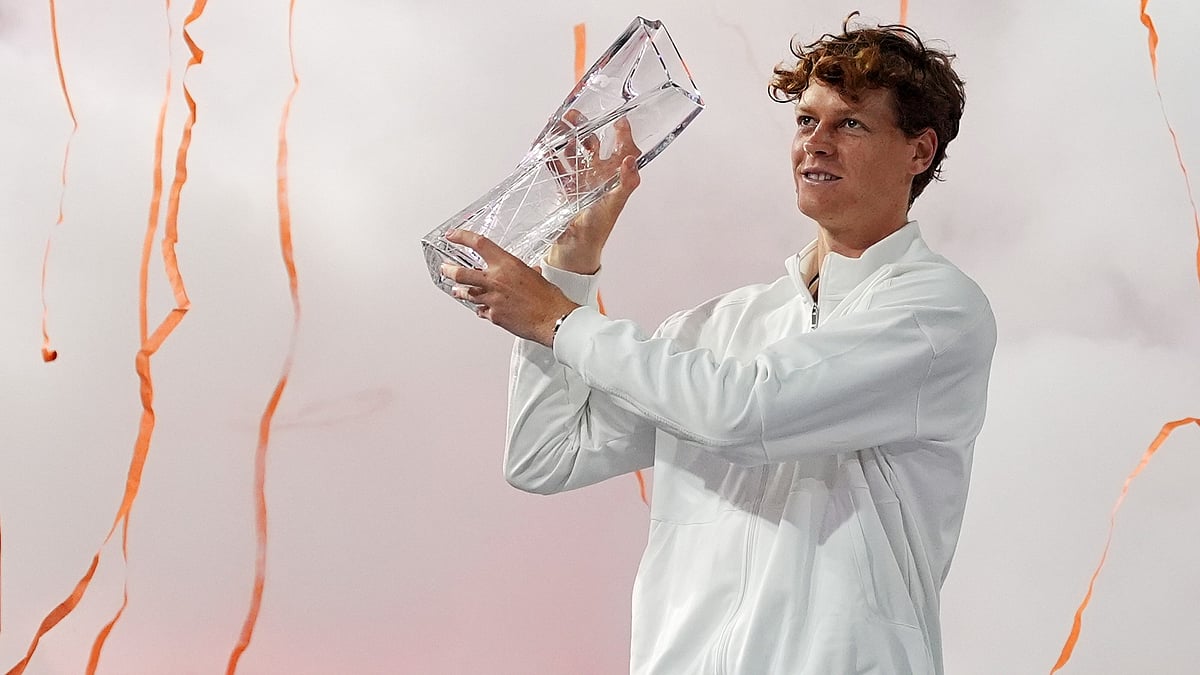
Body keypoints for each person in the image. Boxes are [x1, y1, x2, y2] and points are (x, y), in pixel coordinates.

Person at [440, 14, 995, 675]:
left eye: (850, 123)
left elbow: (744, 413)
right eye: (804, 121)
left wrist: (559, 319)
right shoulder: (717, 327)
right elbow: (545, 456)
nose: (815, 143)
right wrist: (571, 261)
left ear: (919, 151)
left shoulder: (936, 311)